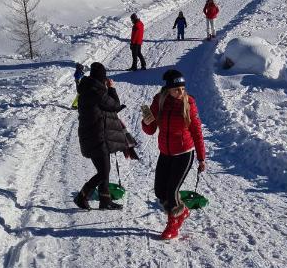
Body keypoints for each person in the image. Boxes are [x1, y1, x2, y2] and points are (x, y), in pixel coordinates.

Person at [141, 69, 206, 240]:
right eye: (177, 89)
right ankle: (182, 211)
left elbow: (197, 131)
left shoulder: (188, 103)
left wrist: (201, 158)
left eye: (183, 89)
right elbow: (150, 129)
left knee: (172, 191)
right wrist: (146, 123)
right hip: (165, 152)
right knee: (160, 191)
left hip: (184, 152)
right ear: (168, 89)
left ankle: (173, 225)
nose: (181, 92)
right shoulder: (159, 101)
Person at [74, 62, 129, 211]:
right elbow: (114, 105)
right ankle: (82, 195)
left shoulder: (86, 87)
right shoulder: (97, 91)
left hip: (92, 135)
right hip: (96, 136)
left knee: (104, 169)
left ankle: (105, 200)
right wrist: (111, 88)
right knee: (104, 171)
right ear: (101, 78)